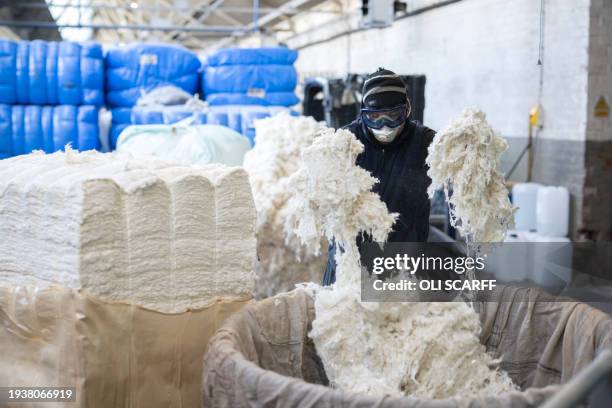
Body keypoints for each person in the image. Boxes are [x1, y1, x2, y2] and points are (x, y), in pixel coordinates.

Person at [322, 68, 436, 285]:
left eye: (394, 116)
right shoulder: (344, 142)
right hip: (349, 261)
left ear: (408, 110)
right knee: (340, 314)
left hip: (404, 261)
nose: (384, 126)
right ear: (363, 114)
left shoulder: (426, 144)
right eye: (374, 117)